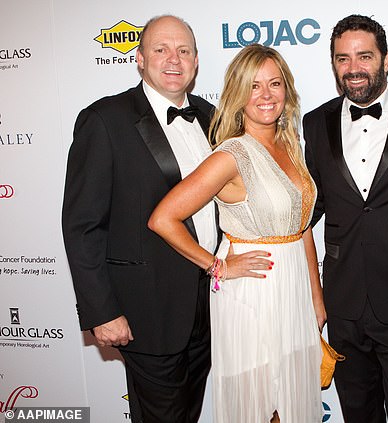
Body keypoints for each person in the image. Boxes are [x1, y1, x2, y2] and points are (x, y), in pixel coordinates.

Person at [148, 44, 325, 423]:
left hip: (294, 293)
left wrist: (316, 298)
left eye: (274, 84)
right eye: (254, 85)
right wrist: (217, 266)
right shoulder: (231, 155)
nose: (265, 95)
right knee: (263, 406)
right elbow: (164, 218)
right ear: (237, 94)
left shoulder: (290, 145)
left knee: (294, 404)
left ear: (287, 90)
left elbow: (302, 227)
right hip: (253, 294)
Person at [62, 15, 218, 423]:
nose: (173, 60)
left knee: (189, 413)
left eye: (184, 51)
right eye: (161, 49)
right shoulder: (105, 120)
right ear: (139, 58)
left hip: (211, 307)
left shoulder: (212, 117)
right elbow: (82, 226)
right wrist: (101, 311)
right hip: (146, 310)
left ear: (197, 61)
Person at [303, 14, 388, 423]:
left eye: (364, 56)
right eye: (342, 58)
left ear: (386, 60)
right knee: (357, 413)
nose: (353, 68)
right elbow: (308, 206)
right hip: (344, 302)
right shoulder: (314, 122)